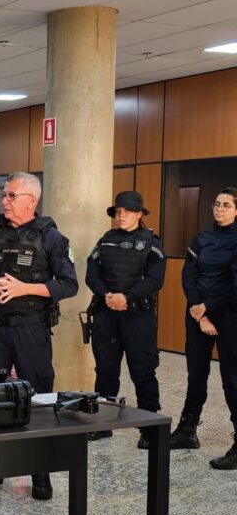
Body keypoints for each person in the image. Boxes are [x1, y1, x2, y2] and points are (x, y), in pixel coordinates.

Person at [0, 171, 78, 500]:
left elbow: (68, 284)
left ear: (32, 200)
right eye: (4, 195)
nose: (5, 201)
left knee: (38, 400)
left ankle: (40, 473)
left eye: (12, 195)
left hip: (31, 329)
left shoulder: (52, 238)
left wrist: (25, 288)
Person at [85, 191, 166, 449]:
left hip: (137, 316)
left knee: (143, 371)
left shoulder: (151, 242)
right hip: (107, 313)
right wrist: (108, 296)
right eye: (118, 211)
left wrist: (126, 297)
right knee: (105, 370)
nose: (121, 215)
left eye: (127, 211)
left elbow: (155, 280)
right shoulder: (106, 240)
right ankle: (103, 423)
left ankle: (149, 428)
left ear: (139, 214)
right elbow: (91, 274)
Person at [169, 187, 237, 469]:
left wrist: (207, 306)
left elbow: (233, 283)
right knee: (196, 373)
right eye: (216, 204)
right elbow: (189, 276)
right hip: (198, 313)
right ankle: (187, 430)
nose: (219, 209)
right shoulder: (201, 239)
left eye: (226, 205)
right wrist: (200, 312)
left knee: (231, 378)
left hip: (229, 314)